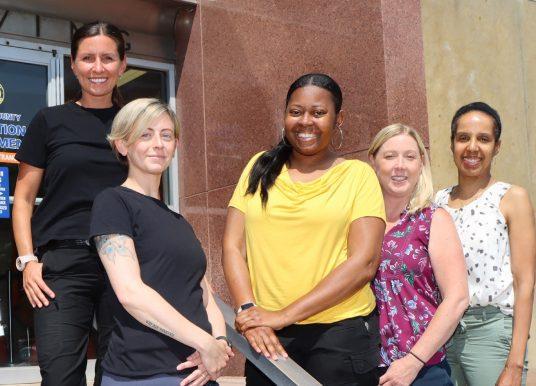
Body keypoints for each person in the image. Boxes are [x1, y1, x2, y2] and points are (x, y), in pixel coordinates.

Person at [222, 73, 386, 385]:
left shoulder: (357, 176)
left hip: (338, 338)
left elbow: (364, 262)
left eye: (318, 113)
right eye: (296, 112)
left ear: (338, 119)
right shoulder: (259, 167)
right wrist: (250, 313)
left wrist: (283, 315)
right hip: (267, 338)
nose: (305, 121)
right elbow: (232, 247)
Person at [12, 21, 128, 385]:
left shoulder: (134, 124)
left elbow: (147, 196)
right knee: (61, 375)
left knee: (119, 374)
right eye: (88, 58)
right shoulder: (50, 121)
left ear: (122, 65)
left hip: (124, 261)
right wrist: (28, 261)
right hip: (63, 264)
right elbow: (24, 198)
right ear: (74, 65)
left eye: (107, 58)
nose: (98, 68)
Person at [89, 98, 233, 386]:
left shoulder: (179, 221)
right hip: (142, 374)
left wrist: (219, 344)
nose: (158, 144)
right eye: (146, 134)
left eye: (166, 135)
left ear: (176, 146)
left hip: (198, 374)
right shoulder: (113, 203)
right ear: (122, 145)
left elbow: (205, 296)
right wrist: (205, 343)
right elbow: (130, 292)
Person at [435, 102, 536, 386]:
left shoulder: (511, 198)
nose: (472, 147)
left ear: (497, 146)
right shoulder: (436, 203)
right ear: (452, 143)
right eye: (463, 137)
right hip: (443, 335)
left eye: (483, 139)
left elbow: (524, 281)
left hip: (491, 334)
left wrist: (515, 365)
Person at [368, 124, 468, 386]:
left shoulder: (433, 220)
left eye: (410, 157)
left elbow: (457, 298)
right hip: (364, 367)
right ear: (373, 162)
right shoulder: (362, 223)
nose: (400, 166)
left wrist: (413, 361)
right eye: (390, 156)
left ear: (421, 164)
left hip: (422, 370)